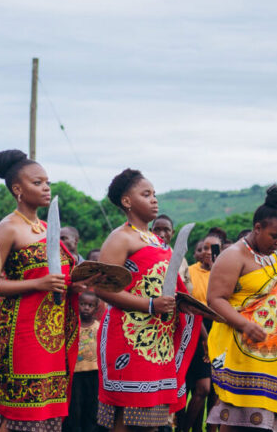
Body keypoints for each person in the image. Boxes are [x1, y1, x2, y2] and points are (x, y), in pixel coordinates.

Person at [96, 169, 201, 431]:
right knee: (125, 420)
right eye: (146, 194)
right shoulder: (121, 238)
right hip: (129, 337)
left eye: (154, 194)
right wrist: (150, 305)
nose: (154, 199)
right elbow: (101, 288)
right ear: (127, 201)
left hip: (158, 343)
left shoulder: (156, 240)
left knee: (152, 423)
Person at [0, 149, 82, 432]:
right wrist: (36, 284)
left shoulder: (46, 227)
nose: (46, 188)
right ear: (18, 189)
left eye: (47, 182)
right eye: (37, 183)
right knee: (23, 411)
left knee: (48, 408)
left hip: (52, 335)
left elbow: (59, 278)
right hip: (22, 335)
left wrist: (76, 283)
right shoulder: (8, 228)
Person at [206, 185, 277, 431]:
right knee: (235, 421)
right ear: (257, 228)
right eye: (274, 236)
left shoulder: (273, 258)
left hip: (270, 359)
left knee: (262, 424)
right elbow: (215, 299)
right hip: (241, 355)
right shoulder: (233, 256)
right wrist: (244, 324)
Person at [180, 230, 223, 432]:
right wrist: (204, 337)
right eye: (205, 247)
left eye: (213, 248)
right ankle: (183, 427)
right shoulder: (190, 271)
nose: (208, 252)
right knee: (200, 387)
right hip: (196, 329)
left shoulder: (225, 272)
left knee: (216, 389)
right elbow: (190, 305)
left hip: (220, 330)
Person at [63, 291, 101, 432]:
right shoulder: (73, 325)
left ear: (96, 308)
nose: (86, 308)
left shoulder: (98, 327)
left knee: (92, 405)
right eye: (83, 304)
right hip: (76, 373)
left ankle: (90, 428)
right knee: (75, 405)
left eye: (90, 305)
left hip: (93, 374)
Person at [151, 214, 191, 290]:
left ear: (172, 233)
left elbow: (187, 286)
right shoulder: (141, 254)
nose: (161, 235)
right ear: (150, 231)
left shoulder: (181, 260)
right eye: (157, 229)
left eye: (166, 230)